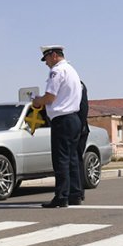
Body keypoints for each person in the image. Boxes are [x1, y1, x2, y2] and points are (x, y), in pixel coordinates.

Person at [31, 45, 83, 208]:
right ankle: (75, 194)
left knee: (60, 159)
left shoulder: (57, 71)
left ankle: (61, 197)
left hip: (62, 119)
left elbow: (50, 97)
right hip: (74, 118)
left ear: (53, 55)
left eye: (46, 59)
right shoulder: (72, 70)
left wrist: (37, 101)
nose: (46, 63)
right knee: (72, 158)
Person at [74, 81, 89, 205]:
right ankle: (78, 192)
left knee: (75, 160)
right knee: (77, 160)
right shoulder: (79, 83)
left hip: (78, 127)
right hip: (81, 126)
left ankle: (77, 193)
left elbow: (83, 107)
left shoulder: (75, 83)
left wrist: (81, 125)